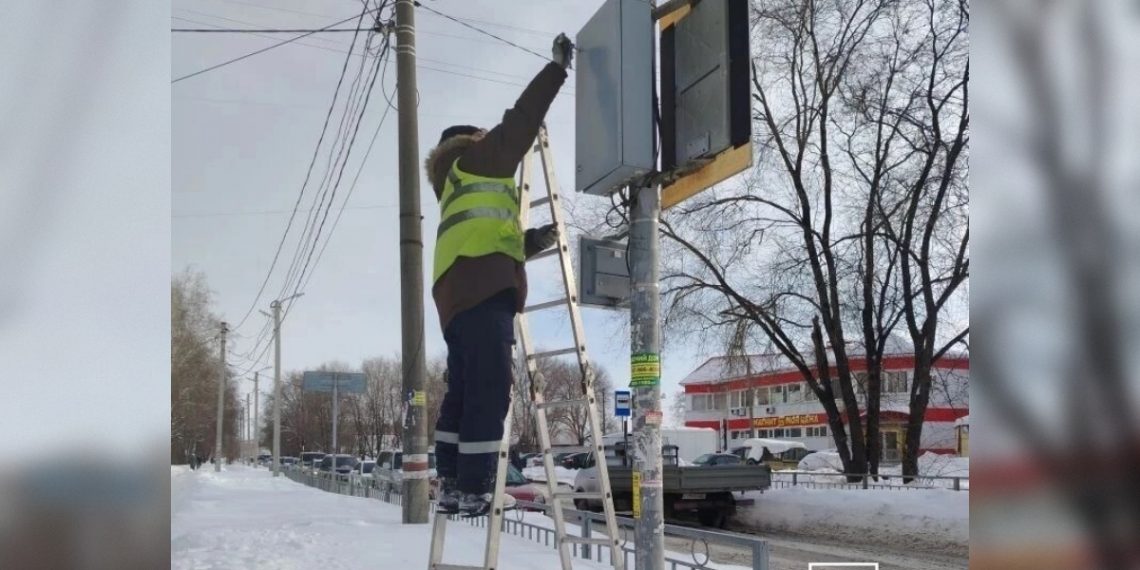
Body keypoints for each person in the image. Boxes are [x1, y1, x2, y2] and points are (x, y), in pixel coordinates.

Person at [427, 33, 574, 516]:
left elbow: (486, 243)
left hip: (457, 298)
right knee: (491, 389)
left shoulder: (456, 189)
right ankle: (474, 487)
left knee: (464, 391)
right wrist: (556, 69)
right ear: (471, 142)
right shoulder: (478, 161)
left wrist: (532, 242)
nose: (493, 140)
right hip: (482, 295)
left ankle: (450, 481)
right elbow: (521, 122)